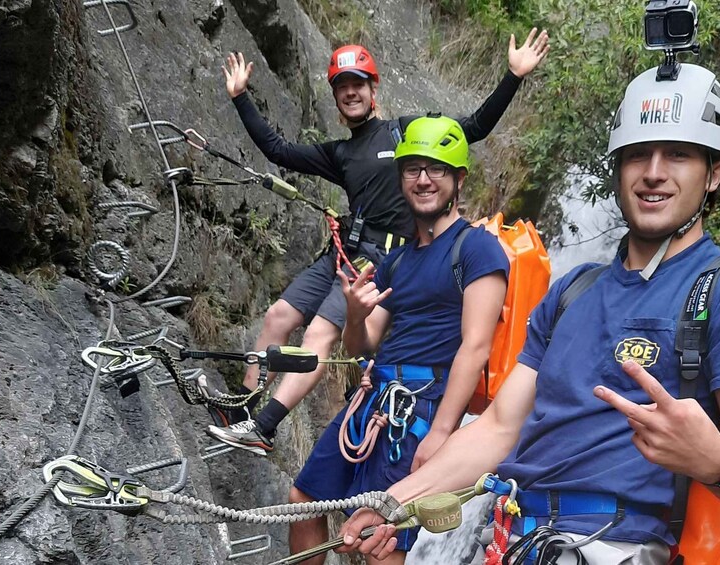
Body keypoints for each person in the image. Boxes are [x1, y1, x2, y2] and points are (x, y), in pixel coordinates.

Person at [336, 63, 720, 565]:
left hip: (612, 545)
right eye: (637, 155)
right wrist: (393, 501)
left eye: (679, 155)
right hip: (515, 537)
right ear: (618, 168)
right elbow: (499, 428)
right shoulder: (573, 291)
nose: (654, 172)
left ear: (716, 173)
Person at [205, 31, 549, 455]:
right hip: (343, 252)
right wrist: (240, 97)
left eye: (358, 85)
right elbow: (278, 150)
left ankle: (265, 427)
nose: (350, 93)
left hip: (378, 258)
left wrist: (513, 77)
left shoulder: (405, 135)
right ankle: (243, 410)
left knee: (318, 333)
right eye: (342, 87)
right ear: (336, 97)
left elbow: (473, 127)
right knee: (277, 316)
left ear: (373, 90)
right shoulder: (339, 154)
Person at [288, 115, 510, 565]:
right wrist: (353, 315)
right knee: (304, 499)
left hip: (420, 409)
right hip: (372, 399)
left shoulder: (477, 249)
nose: (423, 179)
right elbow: (362, 346)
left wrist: (443, 433)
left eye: (436, 169)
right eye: (413, 169)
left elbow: (475, 346)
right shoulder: (397, 260)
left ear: (458, 179)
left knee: (379, 540)